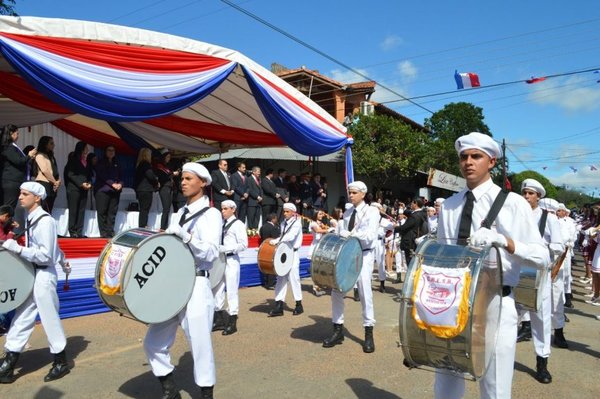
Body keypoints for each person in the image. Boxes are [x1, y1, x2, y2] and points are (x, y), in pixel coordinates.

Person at [434, 132, 548, 399]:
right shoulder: (449, 205)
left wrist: (505, 241)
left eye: (476, 156)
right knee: (446, 377)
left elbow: (542, 257)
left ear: (492, 162)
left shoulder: (513, 204)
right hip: (454, 301)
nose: (468, 162)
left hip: (496, 301)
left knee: (494, 385)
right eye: (464, 157)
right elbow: (443, 255)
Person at [143, 161, 221, 399]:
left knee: (199, 343)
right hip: (173, 284)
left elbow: (210, 253)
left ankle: (206, 393)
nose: (183, 183)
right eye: (183, 179)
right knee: (152, 342)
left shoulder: (212, 214)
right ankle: (170, 389)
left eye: (189, 179)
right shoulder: (179, 213)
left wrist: (185, 236)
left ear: (203, 183)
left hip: (196, 283)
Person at [0, 182, 71, 383]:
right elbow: (54, 250)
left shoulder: (45, 221)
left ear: (37, 198)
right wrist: (63, 259)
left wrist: (17, 248)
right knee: (22, 317)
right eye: (20, 193)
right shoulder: (33, 218)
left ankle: (61, 361)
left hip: (44, 275)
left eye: (25, 194)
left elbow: (46, 255)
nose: (20, 197)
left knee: (49, 319)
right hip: (35, 274)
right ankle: (9, 362)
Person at [322, 181, 379, 353]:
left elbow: (369, 237)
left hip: (364, 254)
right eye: (349, 192)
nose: (350, 195)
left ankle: (368, 333)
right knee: (336, 290)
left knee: (364, 292)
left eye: (354, 192)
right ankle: (337, 329)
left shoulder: (372, 211)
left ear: (363, 194)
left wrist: (351, 234)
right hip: (347, 254)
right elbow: (343, 233)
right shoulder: (347, 213)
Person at [517, 179, 564, 384]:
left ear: (539, 197)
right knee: (508, 314)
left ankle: (542, 362)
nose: (527, 197)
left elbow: (558, 245)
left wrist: (544, 258)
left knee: (541, 318)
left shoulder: (549, 218)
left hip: (538, 273)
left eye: (531, 194)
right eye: (525, 193)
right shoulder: (515, 215)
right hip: (516, 271)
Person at [212, 200, 248, 335]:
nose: (223, 211)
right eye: (222, 209)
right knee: (218, 288)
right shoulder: (221, 224)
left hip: (231, 259)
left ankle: (232, 321)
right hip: (220, 260)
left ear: (233, 209)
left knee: (232, 290)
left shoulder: (238, 224)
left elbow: (244, 244)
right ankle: (219, 319)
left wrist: (226, 248)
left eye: (226, 209)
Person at [267, 203, 304, 317]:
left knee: (294, 278)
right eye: (284, 211)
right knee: (281, 278)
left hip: (293, 253)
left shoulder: (297, 223)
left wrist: (277, 240)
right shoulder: (283, 223)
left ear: (293, 212)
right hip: (284, 253)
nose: (285, 213)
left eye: (287, 211)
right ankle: (279, 304)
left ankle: (298, 304)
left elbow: (290, 236)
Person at [0, 124, 36, 207]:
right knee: (8, 207)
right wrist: (29, 155)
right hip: (11, 181)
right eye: (17, 133)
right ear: (11, 133)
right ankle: (6, 220)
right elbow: (18, 161)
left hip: (14, 181)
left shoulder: (12, 146)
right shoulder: (8, 147)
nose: (18, 135)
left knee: (9, 206)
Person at [64, 141, 92, 238]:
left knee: (81, 210)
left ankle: (79, 231)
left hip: (84, 189)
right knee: (73, 210)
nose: (87, 150)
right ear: (82, 148)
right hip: (74, 189)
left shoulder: (86, 161)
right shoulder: (73, 159)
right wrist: (81, 183)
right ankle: (72, 231)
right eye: (86, 147)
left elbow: (89, 175)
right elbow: (70, 174)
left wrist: (89, 183)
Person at [95, 145, 123, 238]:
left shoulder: (117, 163)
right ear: (105, 152)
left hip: (115, 192)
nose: (111, 152)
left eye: (113, 150)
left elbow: (121, 176)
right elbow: (103, 176)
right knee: (102, 212)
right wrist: (113, 184)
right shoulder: (101, 162)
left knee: (112, 213)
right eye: (109, 150)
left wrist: (120, 184)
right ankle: (103, 233)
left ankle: (110, 232)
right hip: (103, 191)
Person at [308, 208, 333, 297]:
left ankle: (320, 285)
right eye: (320, 214)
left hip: (322, 246)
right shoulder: (313, 223)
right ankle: (316, 288)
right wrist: (328, 230)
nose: (322, 215)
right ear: (315, 215)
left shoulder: (321, 223)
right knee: (316, 269)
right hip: (315, 246)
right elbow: (318, 231)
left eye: (322, 214)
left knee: (321, 267)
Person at [33, 136, 61, 212]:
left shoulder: (51, 156)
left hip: (52, 185)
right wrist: (55, 182)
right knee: (44, 207)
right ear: (45, 144)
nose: (54, 145)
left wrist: (58, 181)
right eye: (51, 143)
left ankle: (47, 222)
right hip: (44, 183)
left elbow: (55, 170)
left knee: (49, 207)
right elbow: (45, 170)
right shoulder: (39, 155)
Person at [154, 148, 179, 231]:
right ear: (163, 157)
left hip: (170, 187)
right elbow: (163, 177)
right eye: (167, 157)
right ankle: (162, 227)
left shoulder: (168, 166)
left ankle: (166, 226)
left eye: (169, 157)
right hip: (164, 188)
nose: (169, 158)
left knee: (168, 208)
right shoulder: (160, 166)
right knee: (166, 208)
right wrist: (172, 174)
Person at [134, 148, 159, 229]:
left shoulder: (139, 164)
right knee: (145, 210)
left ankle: (142, 226)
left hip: (140, 189)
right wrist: (156, 181)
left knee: (143, 209)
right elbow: (150, 176)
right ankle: (143, 226)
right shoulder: (146, 164)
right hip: (146, 189)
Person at [258, 212, 279, 289]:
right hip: (271, 248)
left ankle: (266, 282)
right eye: (276, 218)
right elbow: (276, 238)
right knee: (271, 266)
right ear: (273, 219)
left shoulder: (262, 227)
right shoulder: (273, 228)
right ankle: (271, 283)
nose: (276, 220)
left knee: (265, 266)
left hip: (264, 247)